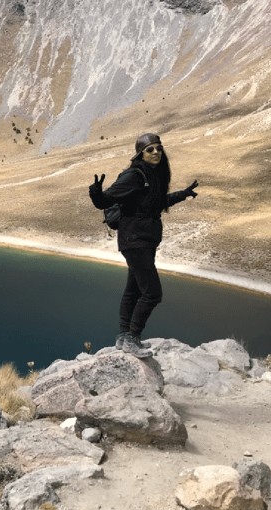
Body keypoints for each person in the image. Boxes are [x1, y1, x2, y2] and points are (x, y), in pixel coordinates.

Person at [88, 133, 198, 358]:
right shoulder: (134, 175)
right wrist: (96, 193)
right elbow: (106, 200)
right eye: (150, 149)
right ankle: (132, 338)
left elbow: (158, 203)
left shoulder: (154, 175)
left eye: (159, 148)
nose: (156, 152)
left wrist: (182, 194)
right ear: (141, 153)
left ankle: (123, 338)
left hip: (145, 242)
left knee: (133, 289)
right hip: (134, 241)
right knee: (153, 293)